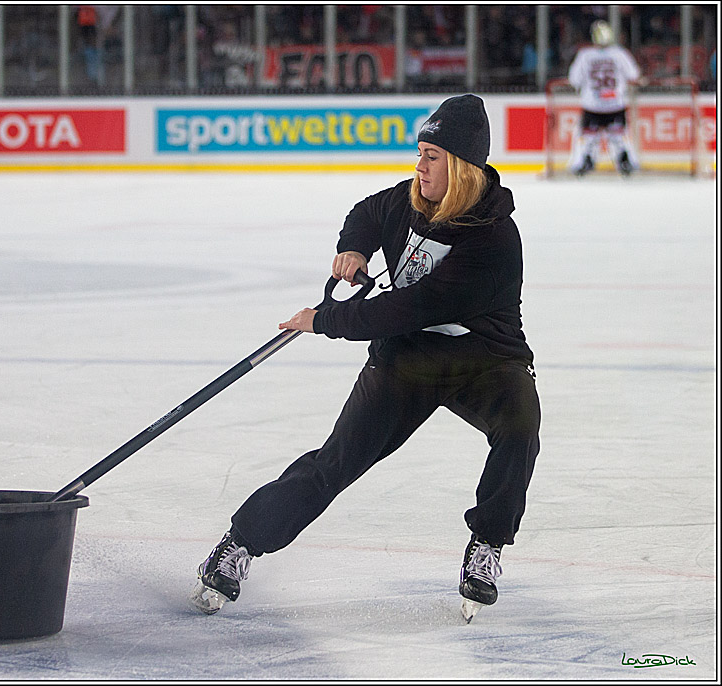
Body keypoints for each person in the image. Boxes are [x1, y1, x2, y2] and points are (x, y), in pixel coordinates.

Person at [190, 94, 541, 623]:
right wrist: (355, 247)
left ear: (462, 167)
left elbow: (409, 307)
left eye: (432, 156)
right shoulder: (406, 201)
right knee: (337, 462)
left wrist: (325, 320)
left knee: (520, 428)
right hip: (408, 361)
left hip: (484, 359)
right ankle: (240, 543)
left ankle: (487, 543)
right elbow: (365, 214)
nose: (418, 166)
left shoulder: (493, 238)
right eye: (420, 152)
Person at [566, 19, 641, 176]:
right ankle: (625, 161)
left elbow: (574, 80)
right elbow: (633, 75)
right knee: (619, 137)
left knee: (588, 137)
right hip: (616, 103)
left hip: (591, 104)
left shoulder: (585, 55)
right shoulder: (620, 54)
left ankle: (585, 161)